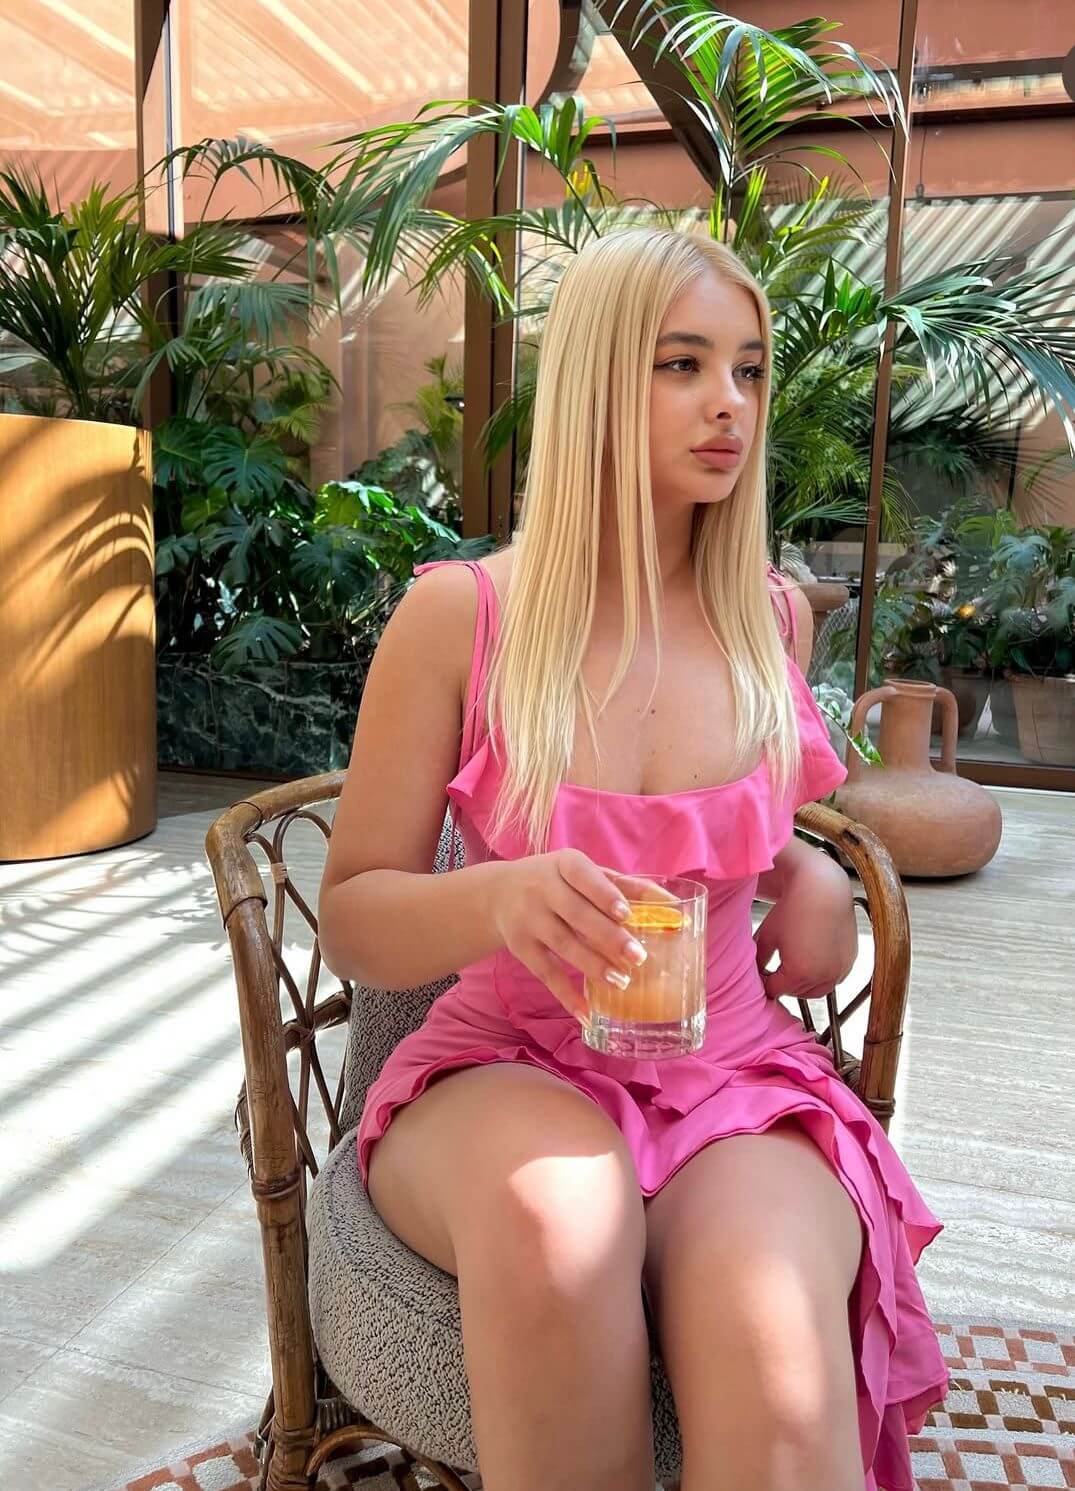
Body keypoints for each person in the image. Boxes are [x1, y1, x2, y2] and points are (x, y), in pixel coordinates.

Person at [318, 225, 950, 1491]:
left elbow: (751, 829)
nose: (730, 403)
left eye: (749, 369)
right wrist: (498, 897)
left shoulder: (768, 614)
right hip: (509, 1062)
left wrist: (809, 872)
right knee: (559, 1221)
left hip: (733, 1073)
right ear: (600, 380)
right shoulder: (461, 617)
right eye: (682, 364)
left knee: (769, 1322)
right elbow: (353, 918)